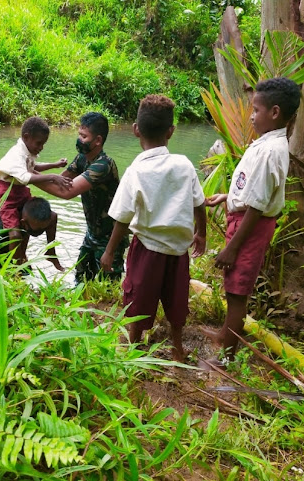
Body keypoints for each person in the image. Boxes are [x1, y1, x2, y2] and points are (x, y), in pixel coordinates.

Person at [200, 77, 301, 364]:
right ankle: (224, 335)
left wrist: (232, 247)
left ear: (275, 112)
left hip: (251, 226)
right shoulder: (268, 143)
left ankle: (227, 353)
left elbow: (256, 207)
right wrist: (227, 196)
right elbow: (253, 190)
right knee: (233, 283)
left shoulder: (271, 151)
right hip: (246, 218)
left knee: (237, 290)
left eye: (256, 110)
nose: (252, 116)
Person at [99, 95, 207, 362]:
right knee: (177, 300)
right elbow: (199, 203)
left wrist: (109, 252)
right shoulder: (184, 164)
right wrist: (201, 233)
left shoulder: (136, 170)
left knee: (138, 300)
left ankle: (134, 347)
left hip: (146, 249)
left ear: (136, 129)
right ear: (171, 131)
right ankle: (177, 349)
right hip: (178, 251)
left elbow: (122, 218)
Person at [36, 112, 129, 283]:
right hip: (92, 234)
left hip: (110, 239)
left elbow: (67, 192)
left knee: (107, 289)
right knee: (80, 281)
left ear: (98, 141)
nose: (79, 140)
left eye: (84, 136)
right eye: (79, 134)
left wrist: (28, 176)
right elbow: (60, 182)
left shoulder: (103, 165)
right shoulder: (81, 159)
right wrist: (29, 173)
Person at [0, 116, 72, 263]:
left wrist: (54, 165)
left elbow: (33, 167)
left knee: (52, 216)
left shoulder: (27, 152)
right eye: (39, 143)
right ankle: (15, 267)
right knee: (15, 234)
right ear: (26, 137)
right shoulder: (16, 154)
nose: (41, 147)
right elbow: (25, 177)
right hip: (7, 196)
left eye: (43, 144)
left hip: (20, 192)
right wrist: (52, 177)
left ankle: (50, 251)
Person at [0, 197, 64, 271]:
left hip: (17, 245)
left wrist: (51, 250)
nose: (41, 232)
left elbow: (53, 216)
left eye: (44, 228)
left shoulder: (29, 214)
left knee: (26, 272)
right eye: (39, 229)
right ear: (23, 223)